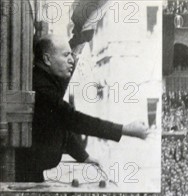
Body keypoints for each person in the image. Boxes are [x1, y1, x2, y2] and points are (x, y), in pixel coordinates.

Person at [14, 34, 149, 182]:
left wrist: (84, 157)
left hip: (31, 171)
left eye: (71, 55)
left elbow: (60, 125)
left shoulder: (46, 81)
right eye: (66, 55)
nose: (72, 60)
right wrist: (126, 129)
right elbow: (73, 120)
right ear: (47, 59)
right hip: (23, 174)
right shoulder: (42, 87)